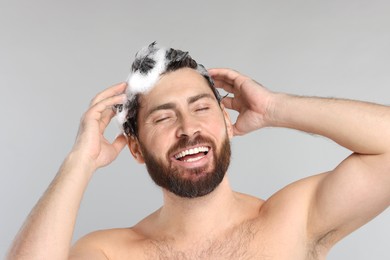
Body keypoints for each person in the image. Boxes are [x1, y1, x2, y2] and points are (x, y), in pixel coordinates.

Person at [7, 43, 390, 260]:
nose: (188, 128)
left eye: (201, 108)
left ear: (226, 122)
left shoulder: (295, 219)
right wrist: (79, 163)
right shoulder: (109, 252)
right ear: (136, 149)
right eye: (162, 118)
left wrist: (275, 107)